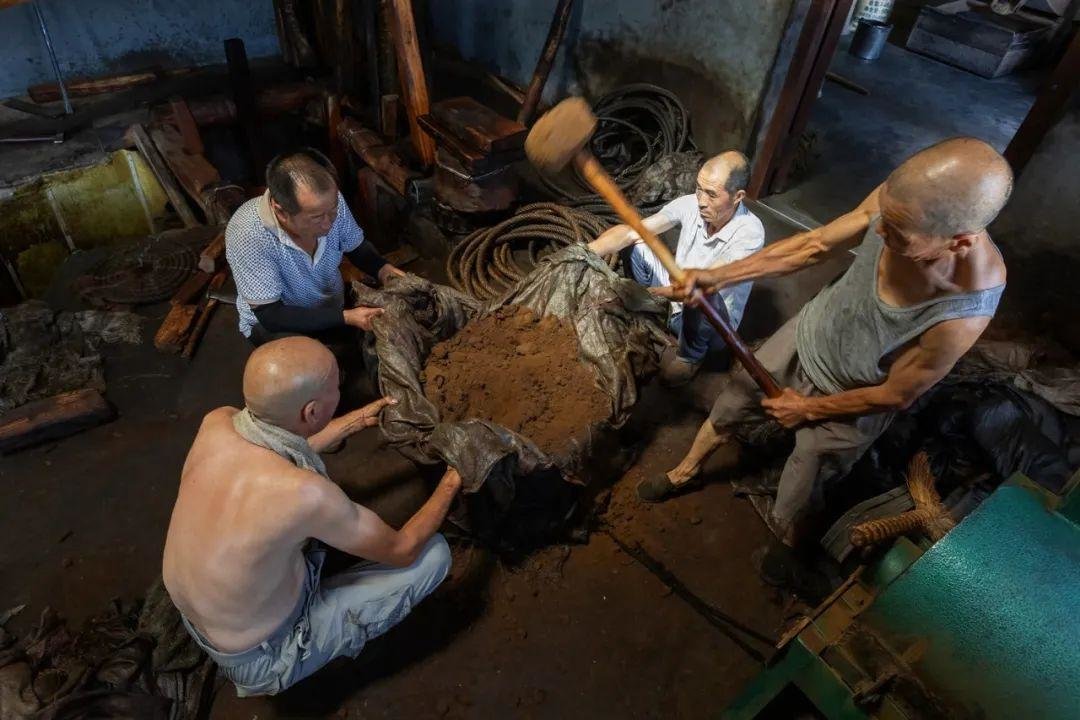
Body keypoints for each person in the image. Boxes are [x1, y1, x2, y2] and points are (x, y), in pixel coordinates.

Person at [638, 137, 1011, 589]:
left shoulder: (965, 309)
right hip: (811, 333)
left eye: (899, 236)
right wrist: (716, 276)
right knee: (735, 399)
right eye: (884, 218)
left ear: (960, 242)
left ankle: (788, 544)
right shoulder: (898, 203)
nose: (879, 233)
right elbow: (812, 246)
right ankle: (686, 470)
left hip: (856, 389)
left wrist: (807, 409)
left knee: (809, 470)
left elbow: (897, 393)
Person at [163, 336, 461, 696]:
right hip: (263, 654)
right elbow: (403, 549)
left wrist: (355, 421)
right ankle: (324, 656)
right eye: (337, 385)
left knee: (306, 535)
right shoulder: (305, 494)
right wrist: (453, 477)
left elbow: (280, 446)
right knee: (433, 555)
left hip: (207, 616)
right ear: (312, 413)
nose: (341, 388)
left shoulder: (218, 422)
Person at [588, 151, 765, 385]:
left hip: (710, 326)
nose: (701, 201)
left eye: (712, 194)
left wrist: (645, 293)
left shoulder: (750, 232)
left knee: (701, 292)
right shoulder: (691, 204)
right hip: (672, 300)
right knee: (634, 241)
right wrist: (584, 252)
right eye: (699, 189)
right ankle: (650, 313)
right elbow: (631, 232)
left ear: (737, 196)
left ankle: (691, 356)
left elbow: (702, 282)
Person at [225, 148, 405, 346]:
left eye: (333, 211)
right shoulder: (248, 235)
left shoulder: (327, 202)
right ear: (281, 212)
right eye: (317, 218)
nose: (328, 224)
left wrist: (383, 269)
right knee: (314, 362)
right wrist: (346, 317)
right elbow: (271, 315)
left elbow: (356, 247)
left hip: (330, 306)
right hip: (279, 323)